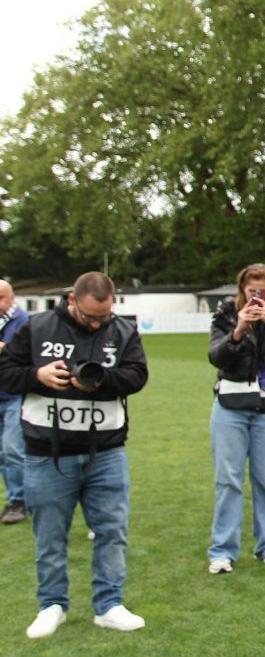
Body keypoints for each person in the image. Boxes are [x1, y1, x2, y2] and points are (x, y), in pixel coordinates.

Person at [0, 272, 149, 637]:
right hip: (47, 453)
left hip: (107, 452)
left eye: (104, 315)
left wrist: (101, 381)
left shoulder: (122, 331)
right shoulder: (36, 328)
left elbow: (137, 376)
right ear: (72, 301)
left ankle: (109, 604)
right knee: (50, 536)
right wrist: (38, 375)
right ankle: (51, 605)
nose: (97, 322)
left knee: (112, 531)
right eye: (89, 316)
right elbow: (5, 372)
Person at [205, 263, 265, 573]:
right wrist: (238, 329)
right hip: (231, 406)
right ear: (242, 290)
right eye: (251, 290)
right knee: (228, 481)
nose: (256, 295)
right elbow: (216, 356)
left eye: (262, 290)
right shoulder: (225, 314)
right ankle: (222, 551)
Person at [0, 279, 31, 524]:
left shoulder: (25, 322)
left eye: (1, 298)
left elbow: (29, 354)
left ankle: (21, 501)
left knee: (12, 449)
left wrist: (3, 348)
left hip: (15, 395)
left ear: (11, 298)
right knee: (2, 453)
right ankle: (15, 499)